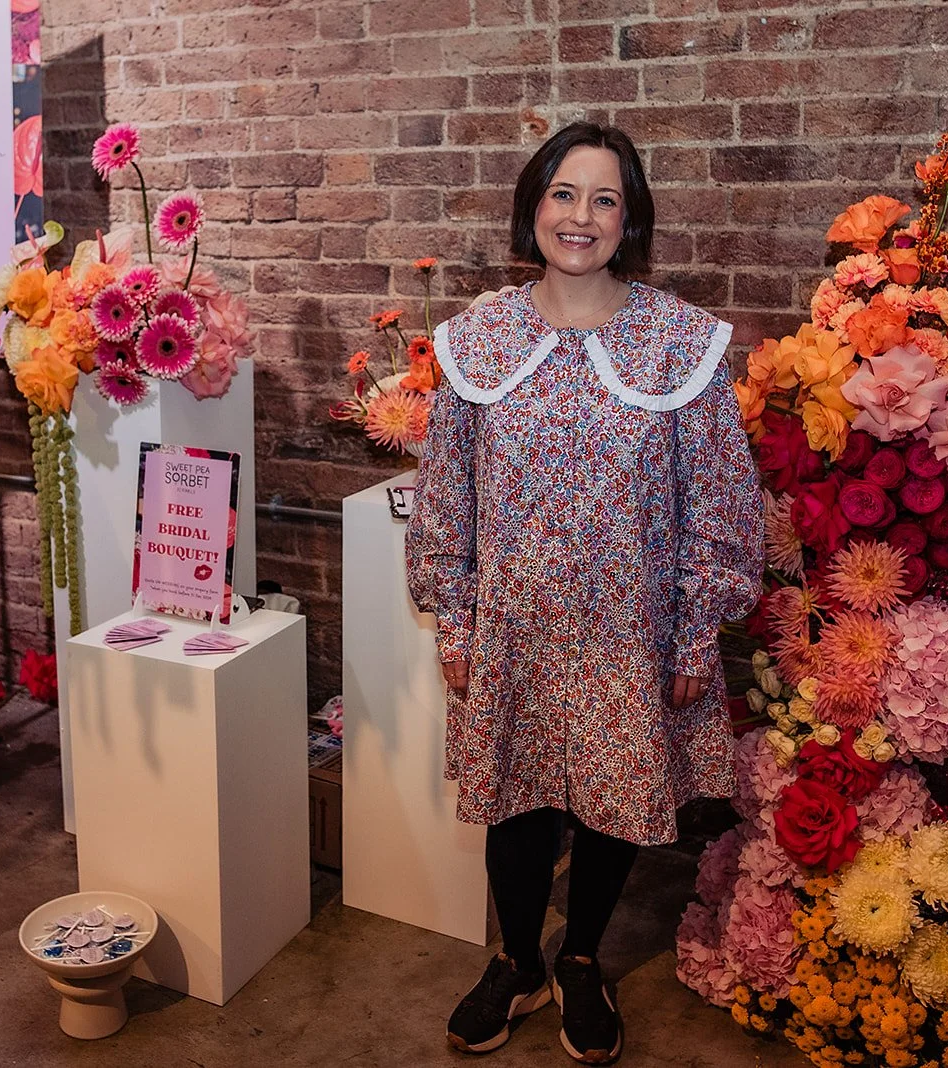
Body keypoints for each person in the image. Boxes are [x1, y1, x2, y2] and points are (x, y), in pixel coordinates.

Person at [405, 122, 763, 1065]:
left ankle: (583, 961)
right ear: (534, 205)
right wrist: (457, 616)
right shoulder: (477, 342)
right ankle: (518, 962)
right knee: (515, 805)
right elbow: (449, 494)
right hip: (514, 631)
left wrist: (693, 638)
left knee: (613, 804)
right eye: (566, 193)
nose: (582, 216)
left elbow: (719, 505)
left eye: (606, 199)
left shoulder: (680, 345)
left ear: (630, 220)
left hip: (628, 635)